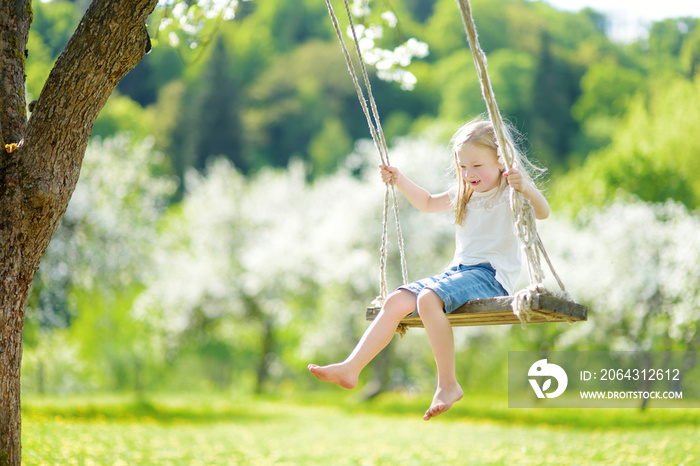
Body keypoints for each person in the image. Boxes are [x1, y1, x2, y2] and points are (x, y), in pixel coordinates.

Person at [308, 117, 550, 420]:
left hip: (490, 276)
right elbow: (426, 202)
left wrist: (526, 187)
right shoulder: (465, 192)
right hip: (459, 272)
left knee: (427, 299)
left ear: (501, 160)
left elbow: (543, 212)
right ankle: (351, 368)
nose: (469, 174)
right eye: (463, 167)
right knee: (396, 300)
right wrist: (399, 179)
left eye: (477, 166)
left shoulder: (509, 190)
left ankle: (448, 384)